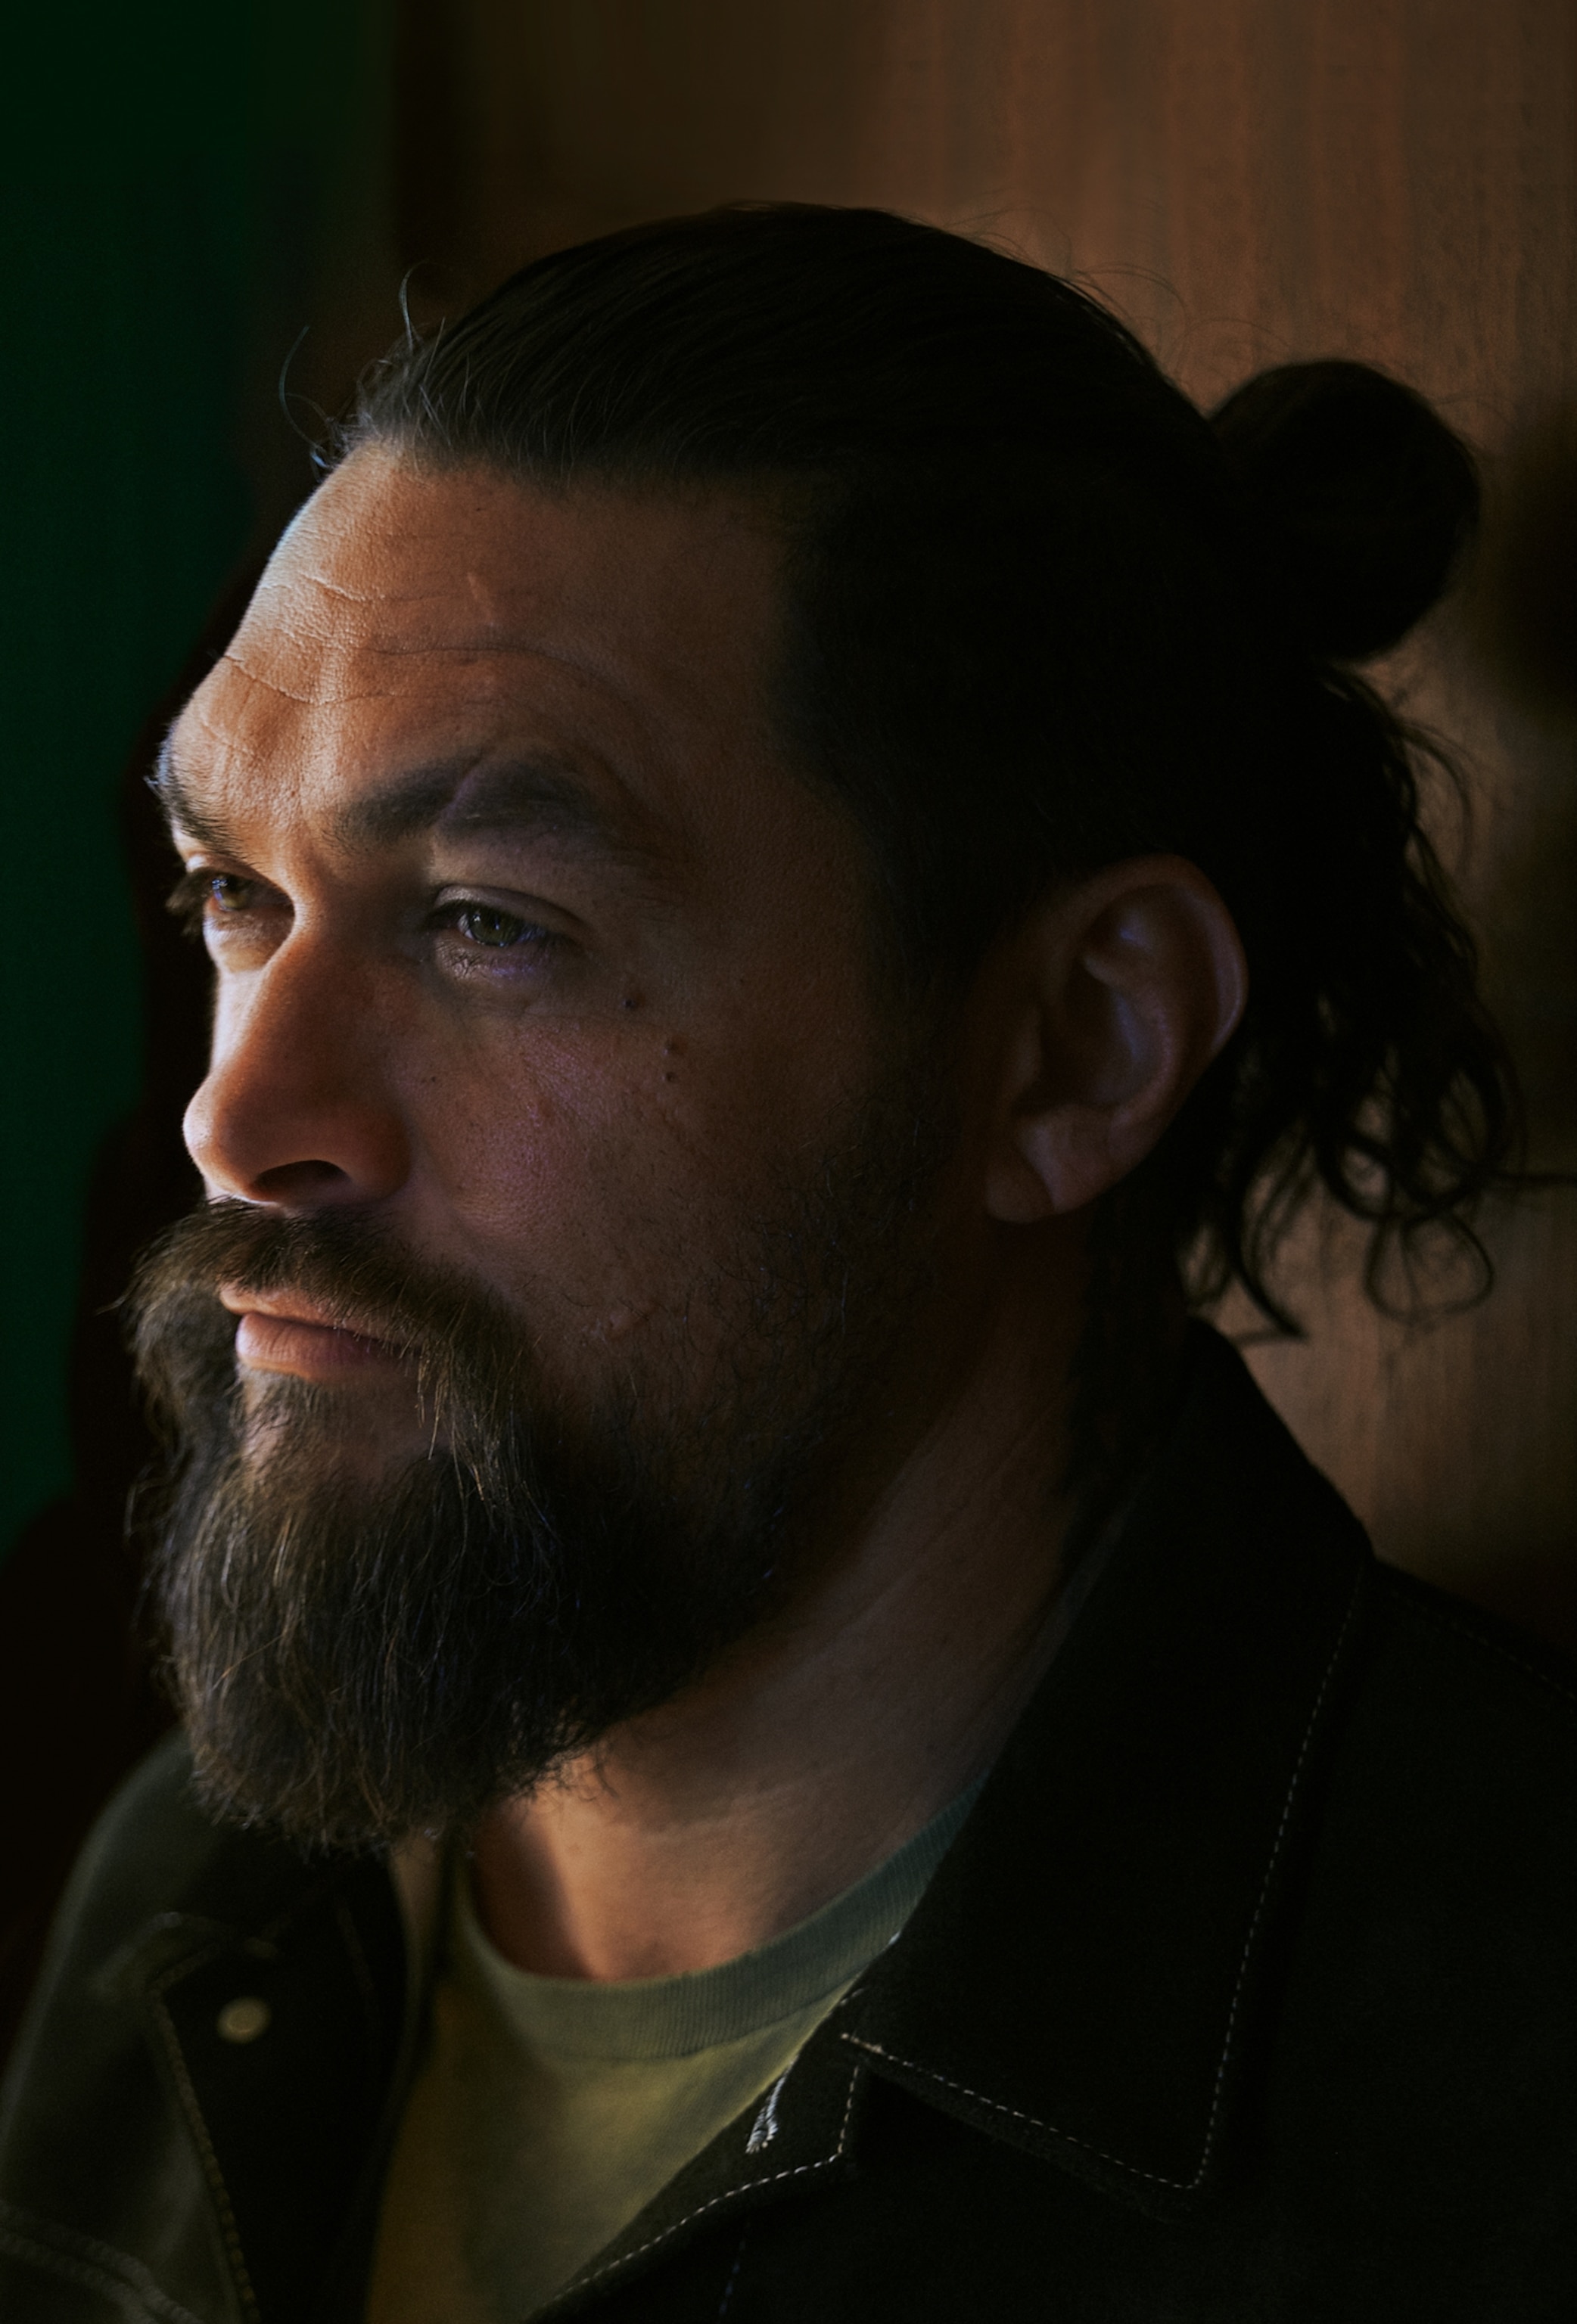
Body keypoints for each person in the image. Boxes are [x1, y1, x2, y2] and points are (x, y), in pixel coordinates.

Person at [1, 204, 1570, 2324]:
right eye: (233, 894)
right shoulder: (204, 1910)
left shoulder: (1486, 2084)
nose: (236, 1118)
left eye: (487, 921)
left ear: (1072, 1047)